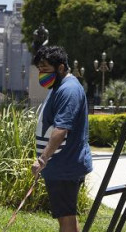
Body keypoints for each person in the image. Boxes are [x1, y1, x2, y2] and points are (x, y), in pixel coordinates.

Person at [31, 45, 92, 232]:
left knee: (66, 218)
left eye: (46, 69)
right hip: (60, 166)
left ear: (61, 67)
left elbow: (61, 128)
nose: (42, 74)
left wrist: (43, 158)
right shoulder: (58, 86)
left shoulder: (69, 90)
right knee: (67, 216)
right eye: (39, 70)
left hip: (65, 165)